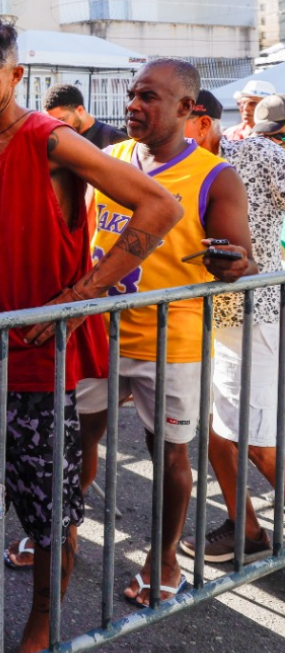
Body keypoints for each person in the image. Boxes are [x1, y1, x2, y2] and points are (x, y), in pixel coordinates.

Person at [0, 16, 182, 653]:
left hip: (36, 362)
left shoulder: (50, 139)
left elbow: (160, 207)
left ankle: (45, 628)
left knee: (49, 508)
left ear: (17, 75)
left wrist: (81, 298)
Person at [76, 61, 255, 607]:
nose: (133, 104)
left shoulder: (213, 176)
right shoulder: (112, 160)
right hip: (98, 334)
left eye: (149, 97)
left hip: (172, 341)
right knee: (79, 439)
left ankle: (165, 557)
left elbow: (242, 257)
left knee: (170, 454)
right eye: (131, 95)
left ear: (185, 109)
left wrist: (231, 263)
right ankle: (58, 529)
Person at [178, 90, 285, 563]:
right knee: (216, 432)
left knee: (255, 439)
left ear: (202, 123)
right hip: (203, 315)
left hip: (253, 312)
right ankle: (247, 529)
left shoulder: (256, 153)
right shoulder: (173, 167)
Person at [42, 82, 126, 148]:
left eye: (61, 120)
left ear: (80, 110)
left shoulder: (114, 139)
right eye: (51, 123)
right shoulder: (55, 142)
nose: (56, 128)